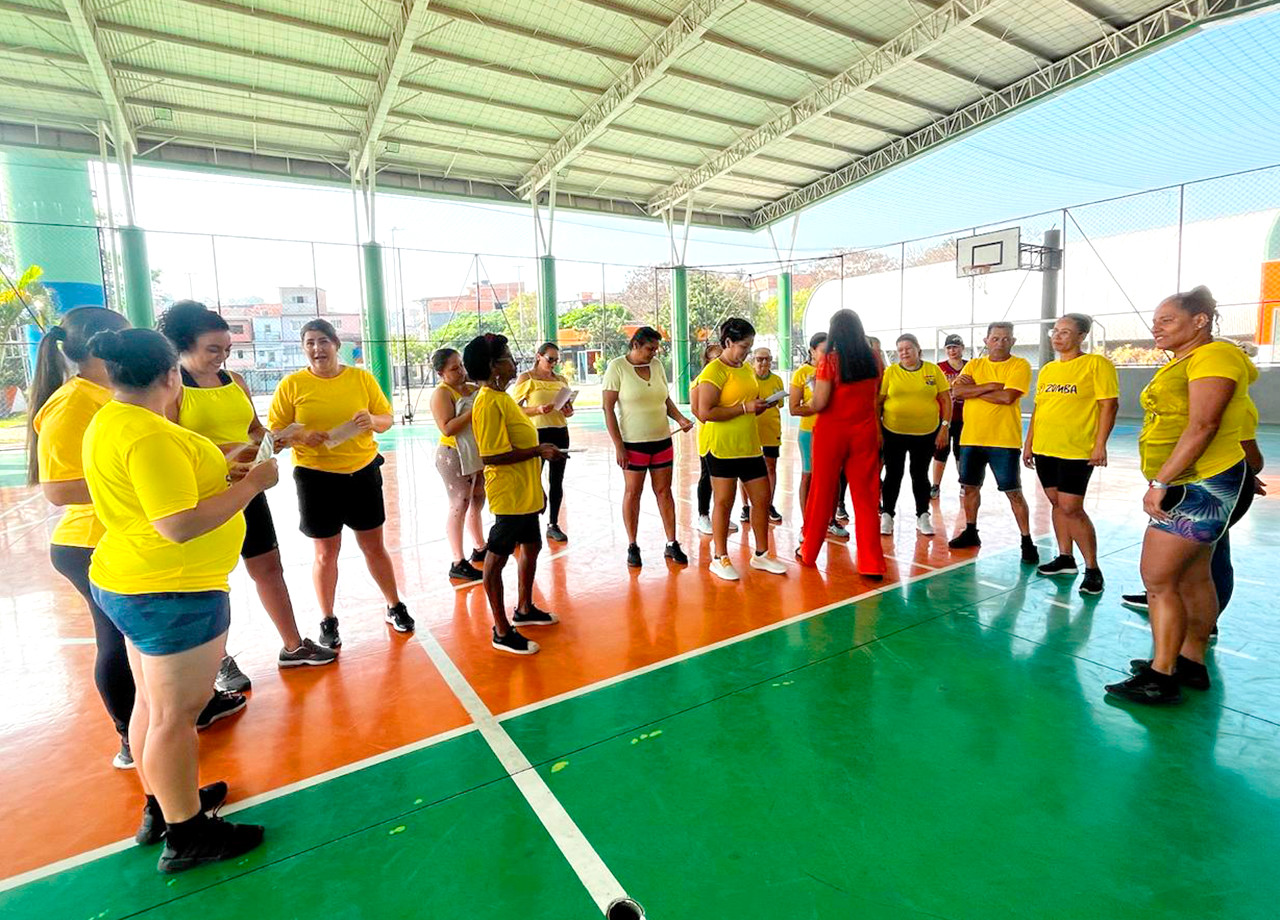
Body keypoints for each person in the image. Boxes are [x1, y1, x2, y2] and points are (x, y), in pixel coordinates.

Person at [82, 328, 274, 872]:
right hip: (171, 589)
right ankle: (187, 835)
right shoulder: (150, 435)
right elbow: (178, 524)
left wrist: (223, 469)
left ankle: (167, 804)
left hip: (133, 581)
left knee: (152, 706)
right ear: (170, 374)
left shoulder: (112, 420)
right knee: (173, 717)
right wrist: (254, 482)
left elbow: (163, 494)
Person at [160, 302, 335, 678]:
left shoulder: (234, 382)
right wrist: (229, 454)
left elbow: (253, 429)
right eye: (213, 350)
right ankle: (218, 661)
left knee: (268, 566)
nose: (221, 358)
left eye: (226, 350)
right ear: (184, 344)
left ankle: (293, 645)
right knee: (210, 580)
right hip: (207, 495)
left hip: (248, 488)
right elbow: (173, 447)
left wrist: (277, 439)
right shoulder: (173, 387)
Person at [1105, 287, 1252, 705]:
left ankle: (1160, 675)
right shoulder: (1191, 359)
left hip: (1199, 484)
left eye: (1167, 319)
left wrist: (1161, 482)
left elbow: (1204, 425)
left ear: (1200, 320)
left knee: (1158, 579)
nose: (1157, 327)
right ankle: (1190, 662)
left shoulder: (1215, 357)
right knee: (1192, 576)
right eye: (1156, 320)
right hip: (1198, 481)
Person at [30, 306, 139, 767]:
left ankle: (152, 722)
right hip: (89, 542)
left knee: (137, 639)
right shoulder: (72, 403)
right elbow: (58, 489)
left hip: (122, 534)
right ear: (104, 343)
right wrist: (137, 479)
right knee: (115, 639)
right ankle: (130, 736)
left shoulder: (108, 393)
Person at [268, 319, 411, 650]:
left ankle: (394, 605)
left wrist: (371, 421)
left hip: (361, 472)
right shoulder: (292, 385)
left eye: (322, 342)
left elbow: (386, 420)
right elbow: (275, 433)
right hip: (315, 477)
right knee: (325, 552)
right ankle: (328, 619)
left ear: (336, 344)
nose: (317, 349)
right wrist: (301, 435)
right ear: (304, 349)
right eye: (309, 343)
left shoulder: (361, 378)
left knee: (374, 545)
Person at [1122, 346, 1264, 619]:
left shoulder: (1232, 400)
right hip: (1190, 482)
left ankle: (1203, 623)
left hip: (1209, 486)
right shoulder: (1196, 394)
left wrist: (1240, 476)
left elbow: (1247, 452)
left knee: (1207, 561)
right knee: (1197, 563)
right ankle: (1189, 624)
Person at [464, 333, 565, 654]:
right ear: (494, 367)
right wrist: (540, 449)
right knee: (496, 560)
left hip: (526, 490)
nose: (514, 361)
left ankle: (524, 609)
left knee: (532, 546)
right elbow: (492, 455)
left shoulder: (504, 397)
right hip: (508, 493)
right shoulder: (487, 402)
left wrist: (537, 473)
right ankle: (501, 630)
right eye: (507, 356)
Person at [1022, 314, 1118, 595]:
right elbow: (1040, 409)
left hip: (1076, 450)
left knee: (1072, 508)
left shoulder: (1095, 364)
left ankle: (1093, 568)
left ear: (1081, 337)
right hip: (1045, 449)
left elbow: (1108, 405)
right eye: (1056, 331)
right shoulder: (1049, 370)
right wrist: (1029, 443)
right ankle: (1065, 558)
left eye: (1066, 332)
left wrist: (1100, 444)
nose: (1058, 336)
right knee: (1057, 503)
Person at [692, 318, 787, 581]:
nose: (747, 351)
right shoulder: (713, 371)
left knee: (761, 499)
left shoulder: (745, 369)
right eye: (743, 346)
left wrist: (760, 405)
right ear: (728, 342)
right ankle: (719, 557)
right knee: (723, 502)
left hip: (749, 445)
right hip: (722, 448)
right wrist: (745, 408)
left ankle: (761, 553)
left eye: (750, 346)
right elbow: (704, 411)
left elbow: (744, 400)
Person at [797, 310, 885, 577]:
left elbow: (821, 402)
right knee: (867, 496)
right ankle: (871, 564)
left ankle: (809, 552)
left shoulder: (829, 361)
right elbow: (874, 395)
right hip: (865, 430)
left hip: (831, 432)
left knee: (822, 492)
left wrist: (804, 406)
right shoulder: (873, 359)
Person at [601, 326, 694, 567]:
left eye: (656, 349)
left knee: (664, 491)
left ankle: (672, 543)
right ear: (635, 345)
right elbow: (608, 408)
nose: (654, 353)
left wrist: (680, 418)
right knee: (633, 493)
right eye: (650, 349)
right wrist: (619, 446)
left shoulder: (657, 366)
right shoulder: (617, 367)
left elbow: (665, 399)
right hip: (633, 445)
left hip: (662, 440)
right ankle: (632, 545)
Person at [947, 322, 1039, 565]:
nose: (1000, 342)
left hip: (1003, 440)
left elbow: (1007, 397)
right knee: (969, 487)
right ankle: (970, 531)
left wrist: (973, 390)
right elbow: (957, 392)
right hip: (971, 438)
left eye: (1006, 338)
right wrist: (989, 386)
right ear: (986, 340)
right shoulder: (975, 364)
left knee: (1013, 492)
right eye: (995, 338)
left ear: (1013, 341)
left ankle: (1027, 540)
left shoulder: (1019, 365)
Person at [878, 333, 951, 537]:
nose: (904, 352)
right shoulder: (891, 372)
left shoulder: (932, 370)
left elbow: (946, 399)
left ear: (918, 349)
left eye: (908, 348)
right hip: (894, 433)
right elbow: (879, 402)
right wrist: (878, 430)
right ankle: (887, 514)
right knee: (893, 474)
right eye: (900, 349)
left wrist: (944, 427)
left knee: (920, 474)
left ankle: (922, 515)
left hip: (926, 433)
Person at [430, 347, 488, 582]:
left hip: (474, 451)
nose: (461, 371)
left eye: (461, 366)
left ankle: (479, 545)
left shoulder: (472, 388)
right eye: (454, 369)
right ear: (441, 373)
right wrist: (473, 411)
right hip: (452, 453)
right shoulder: (442, 394)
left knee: (477, 498)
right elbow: (447, 427)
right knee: (459, 502)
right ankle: (457, 560)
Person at [513, 343, 573, 543]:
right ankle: (524, 524)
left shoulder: (561, 380)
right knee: (532, 478)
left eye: (557, 360)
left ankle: (553, 524)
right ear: (539, 356)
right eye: (550, 359)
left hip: (559, 431)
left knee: (557, 480)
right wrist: (537, 410)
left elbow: (568, 410)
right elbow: (514, 410)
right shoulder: (527, 379)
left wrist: (568, 411)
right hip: (536, 433)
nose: (554, 363)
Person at [695, 342, 738, 538]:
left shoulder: (730, 378)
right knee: (707, 476)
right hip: (709, 437)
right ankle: (703, 515)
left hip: (727, 438)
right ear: (707, 362)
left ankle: (720, 514)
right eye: (714, 358)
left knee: (726, 479)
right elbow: (700, 412)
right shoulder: (700, 381)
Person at [739, 347, 785, 525]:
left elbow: (780, 403)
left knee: (771, 467)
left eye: (767, 359)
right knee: (745, 469)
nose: (763, 363)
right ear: (753, 361)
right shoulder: (747, 378)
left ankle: (768, 504)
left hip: (771, 429)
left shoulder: (777, 380)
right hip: (750, 429)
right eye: (759, 359)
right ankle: (745, 506)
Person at [789, 332, 830, 531]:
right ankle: (807, 523)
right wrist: (817, 405)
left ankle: (830, 520)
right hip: (809, 432)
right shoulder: (802, 373)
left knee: (832, 477)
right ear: (813, 350)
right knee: (809, 474)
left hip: (832, 432)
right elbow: (794, 408)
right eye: (824, 350)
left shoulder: (836, 371)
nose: (828, 354)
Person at [930, 334, 968, 498]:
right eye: (949, 348)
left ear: (962, 348)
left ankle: (964, 483)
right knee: (940, 452)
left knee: (962, 452)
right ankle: (935, 485)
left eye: (955, 347)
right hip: (944, 417)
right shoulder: (938, 368)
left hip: (965, 417)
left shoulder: (970, 366)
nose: (952, 351)